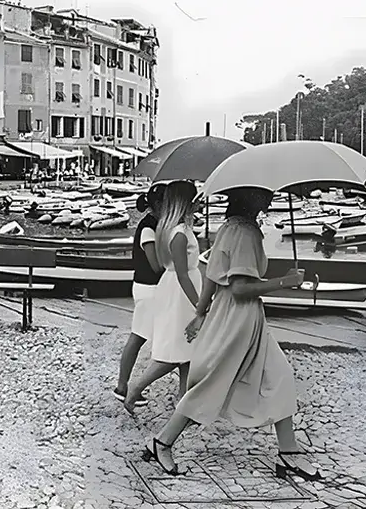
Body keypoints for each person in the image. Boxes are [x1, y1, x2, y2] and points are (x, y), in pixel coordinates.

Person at [142, 187, 319, 481]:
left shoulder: (229, 228)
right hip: (240, 317)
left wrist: (201, 313)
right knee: (213, 384)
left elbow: (212, 275)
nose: (269, 197)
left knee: (279, 377)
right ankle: (162, 441)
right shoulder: (245, 232)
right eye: (264, 194)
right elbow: (239, 288)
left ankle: (289, 452)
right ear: (250, 198)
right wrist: (285, 281)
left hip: (235, 316)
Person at [124, 181, 201, 413]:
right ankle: (135, 388)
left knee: (187, 349)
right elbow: (182, 275)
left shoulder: (177, 230)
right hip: (180, 293)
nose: (198, 203)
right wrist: (200, 305)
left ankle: (183, 398)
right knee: (174, 352)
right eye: (194, 200)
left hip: (178, 290)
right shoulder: (178, 234)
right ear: (184, 203)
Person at [114, 188, 163, 405]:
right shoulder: (148, 228)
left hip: (146, 287)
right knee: (138, 336)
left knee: (139, 336)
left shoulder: (152, 225)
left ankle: (124, 384)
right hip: (148, 288)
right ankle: (123, 386)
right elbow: (154, 265)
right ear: (160, 204)